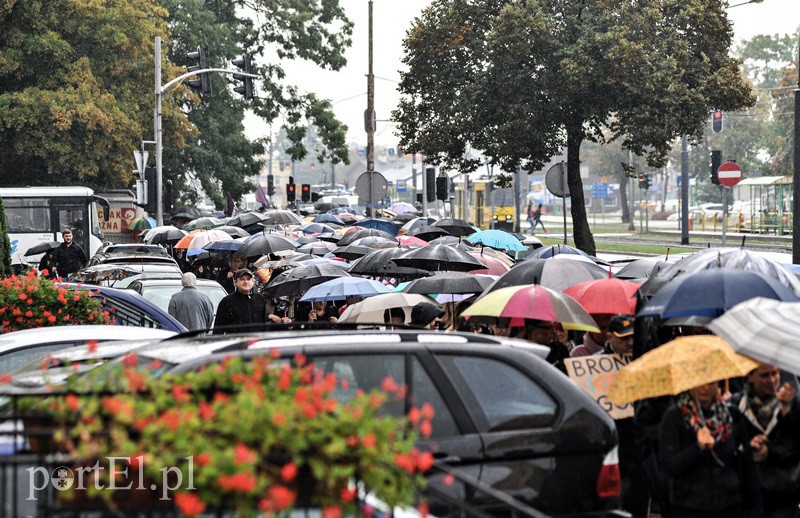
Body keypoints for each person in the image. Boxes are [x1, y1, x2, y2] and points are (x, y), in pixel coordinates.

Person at [659, 381, 761, 518]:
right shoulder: (674, 417)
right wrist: (697, 448)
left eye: (711, 383)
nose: (705, 387)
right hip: (689, 507)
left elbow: (746, 463)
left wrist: (754, 506)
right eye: (699, 382)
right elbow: (669, 466)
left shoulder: (730, 414)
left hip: (729, 504)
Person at [595, 315, 650, 517]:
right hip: (611, 444)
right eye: (623, 339)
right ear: (610, 337)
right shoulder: (594, 367)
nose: (629, 343)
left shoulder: (642, 363)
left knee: (638, 501)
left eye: (632, 338)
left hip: (637, 445)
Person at [730, 363, 800, 518]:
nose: (772, 380)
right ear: (750, 376)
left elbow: (794, 448)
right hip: (749, 492)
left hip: (784, 491)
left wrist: (787, 413)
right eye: (764, 375)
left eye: (775, 374)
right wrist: (748, 449)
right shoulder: (736, 406)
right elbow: (731, 449)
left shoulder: (792, 404)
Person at [213, 269, 268, 334]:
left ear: (253, 282)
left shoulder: (260, 298)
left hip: (256, 342)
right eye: (242, 279)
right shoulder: (226, 301)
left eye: (248, 279)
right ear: (235, 282)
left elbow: (264, 325)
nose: (246, 282)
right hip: (236, 341)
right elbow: (218, 329)